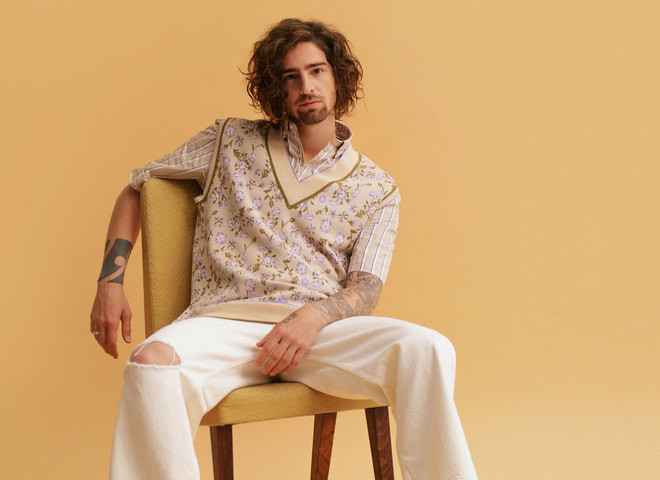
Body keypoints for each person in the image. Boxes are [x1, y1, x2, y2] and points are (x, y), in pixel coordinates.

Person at [90, 18, 478, 480]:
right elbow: (138, 187)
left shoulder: (377, 188)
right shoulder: (228, 140)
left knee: (428, 348)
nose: (306, 86)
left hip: (319, 333)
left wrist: (311, 319)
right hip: (223, 323)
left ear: (338, 77)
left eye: (316, 71)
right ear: (277, 88)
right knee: (150, 364)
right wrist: (110, 283)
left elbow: (366, 287)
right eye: (291, 76)